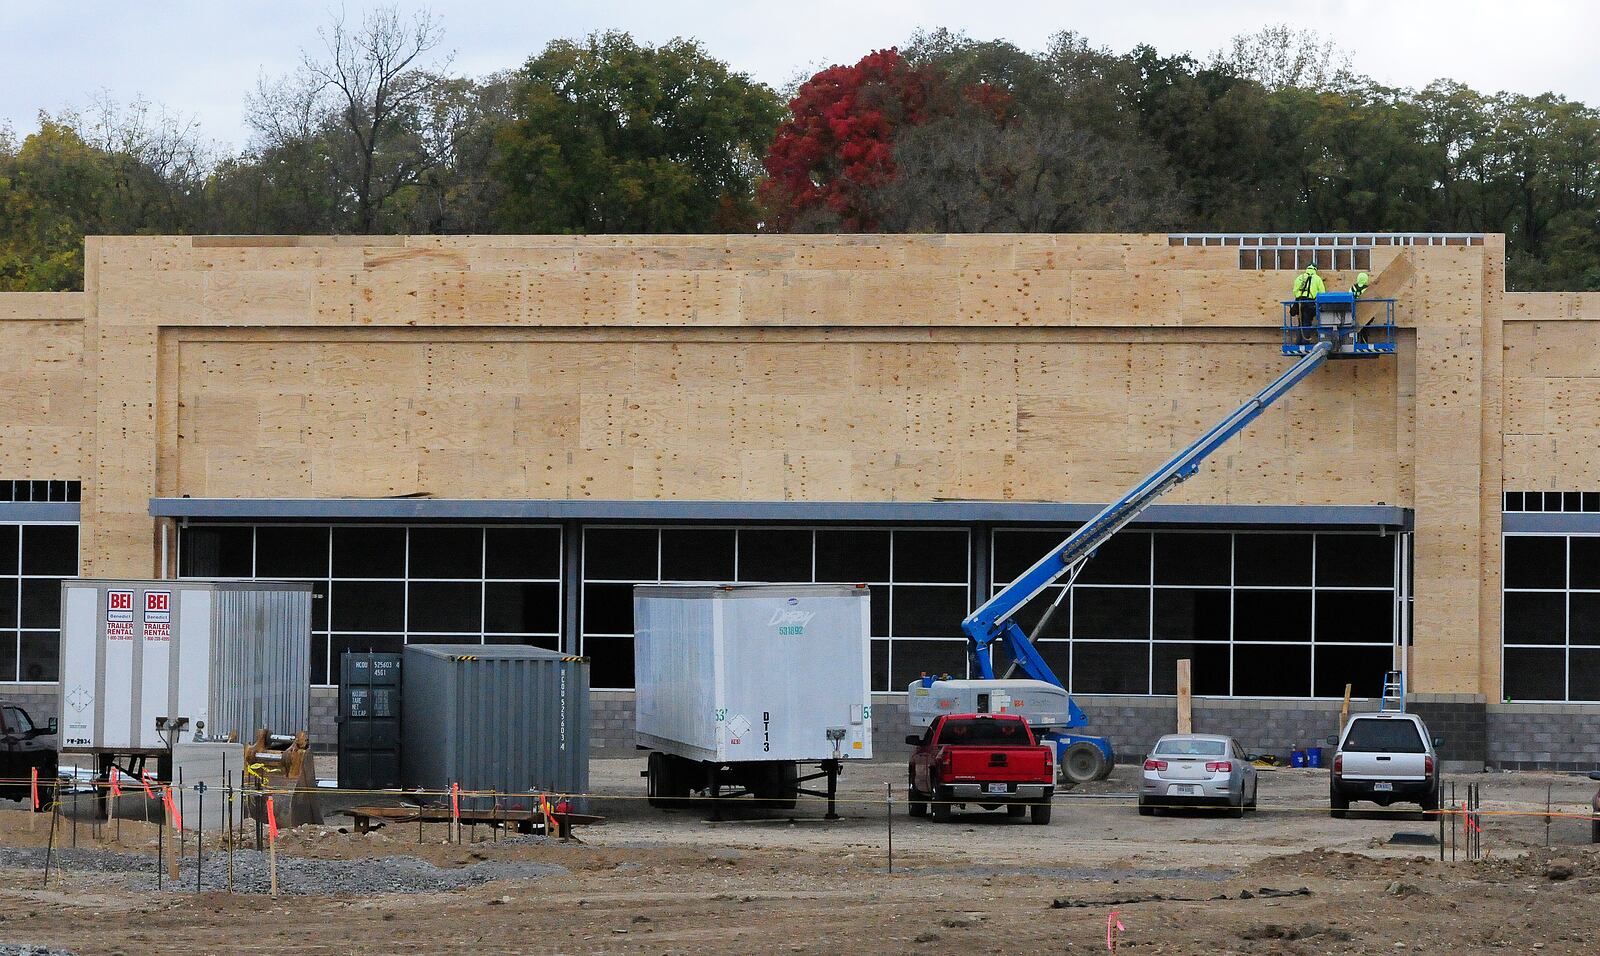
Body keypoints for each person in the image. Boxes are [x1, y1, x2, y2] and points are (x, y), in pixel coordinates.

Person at [1290, 264, 1326, 340]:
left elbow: (1295, 291)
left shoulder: (1300, 277)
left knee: (1301, 322)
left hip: (1299, 301)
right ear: (1315, 269)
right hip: (1309, 302)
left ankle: (1299, 340)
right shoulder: (1317, 278)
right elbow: (1322, 293)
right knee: (1307, 321)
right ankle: (1305, 340)